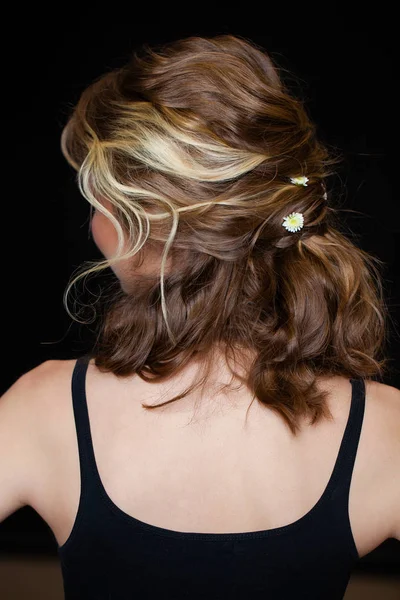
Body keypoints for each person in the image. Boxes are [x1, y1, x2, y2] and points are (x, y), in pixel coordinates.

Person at [0, 34, 399, 599]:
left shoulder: (44, 411)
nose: (93, 227)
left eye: (100, 203)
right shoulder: (385, 431)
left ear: (142, 224)